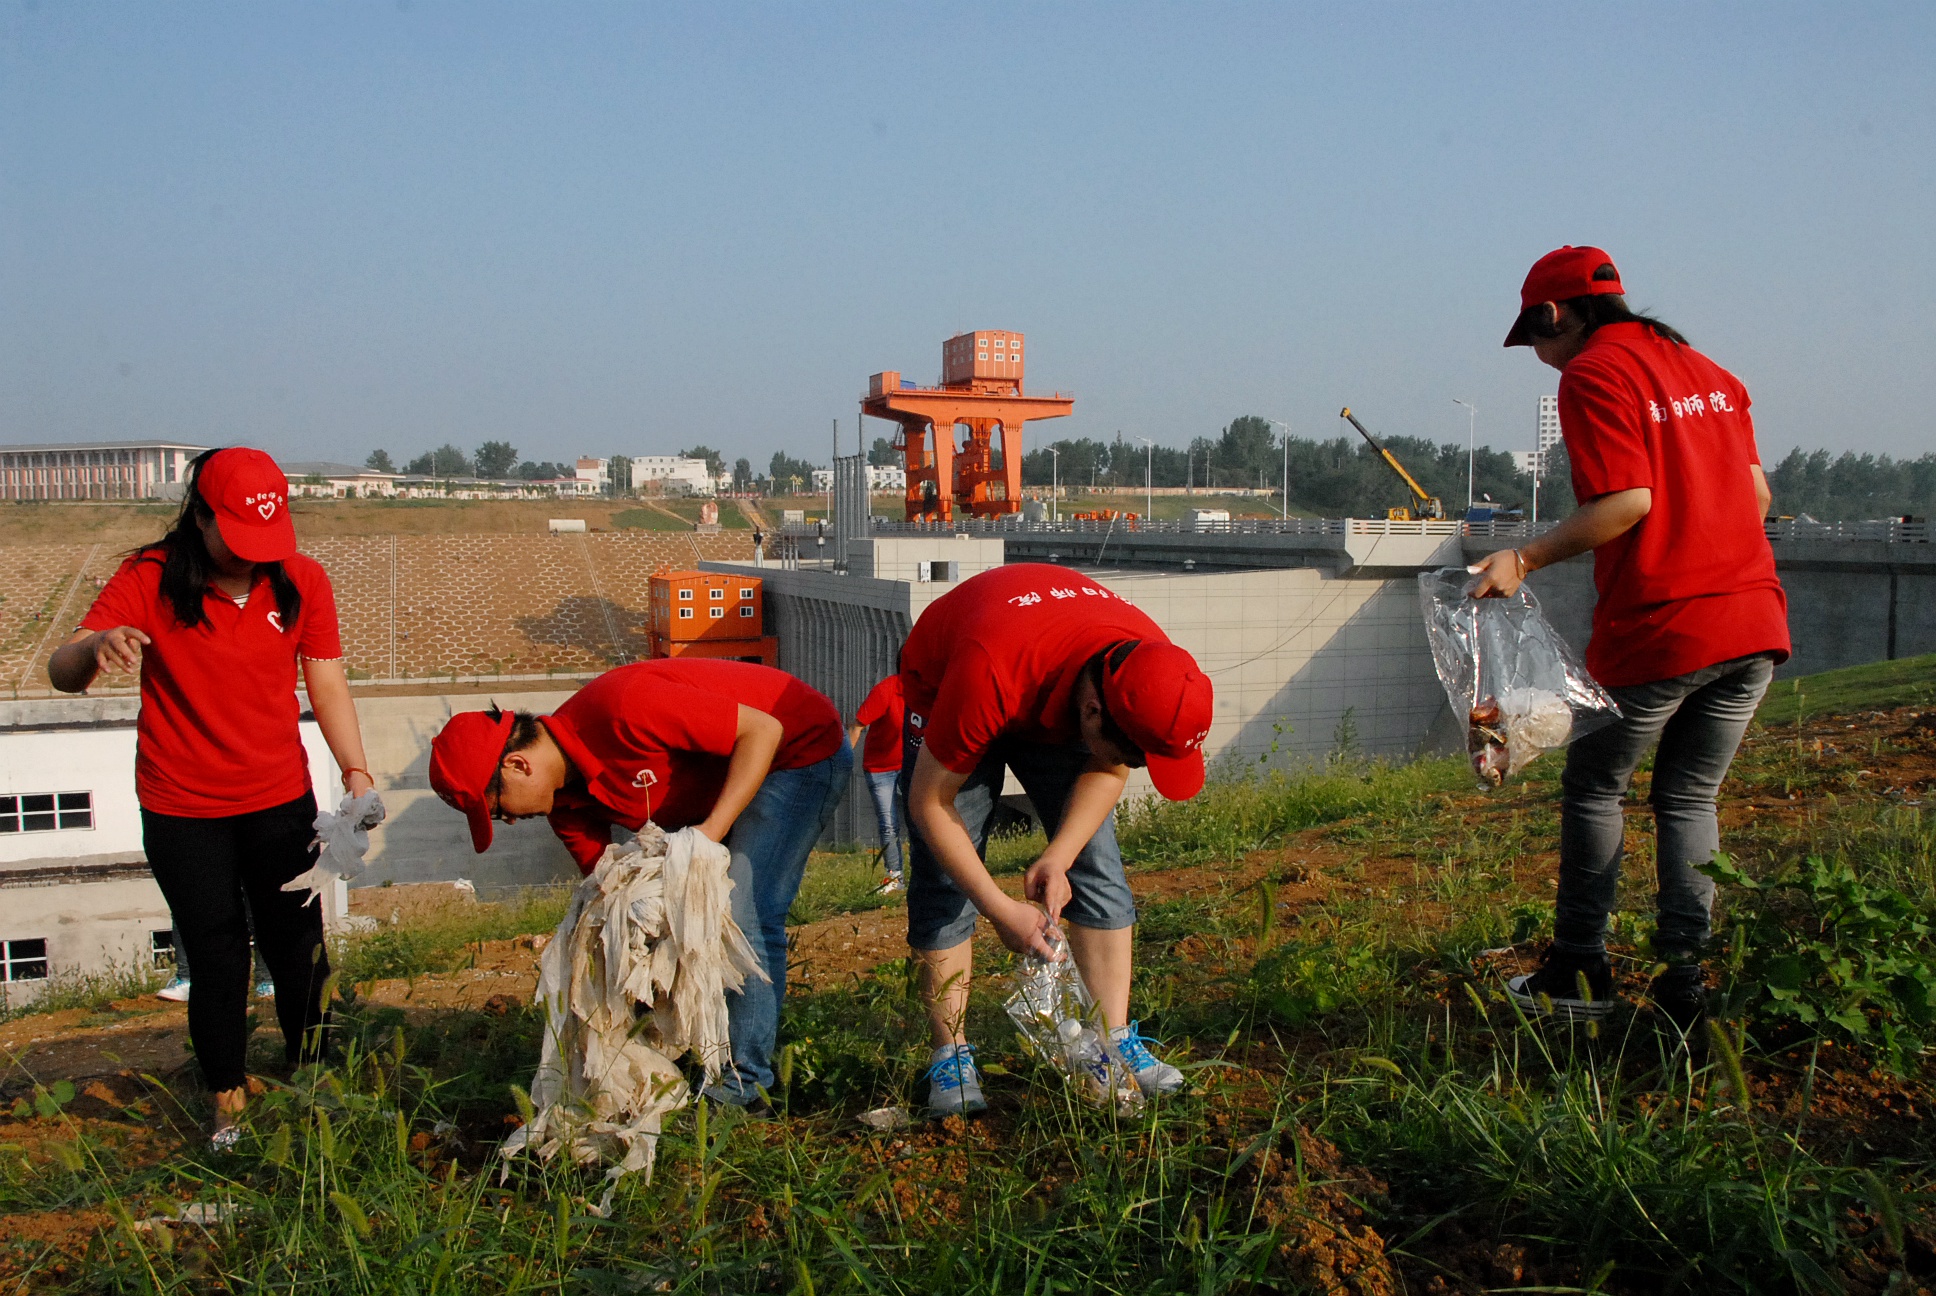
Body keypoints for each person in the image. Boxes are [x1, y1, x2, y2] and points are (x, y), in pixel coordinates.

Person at [1471, 245, 1790, 1030]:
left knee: (1595, 787)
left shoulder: (1595, 375)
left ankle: (1579, 970)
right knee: (1689, 797)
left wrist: (1525, 556)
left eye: (1535, 340)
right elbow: (1756, 493)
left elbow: (1627, 502)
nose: (1542, 360)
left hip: (1665, 628)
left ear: (1558, 314)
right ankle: (1688, 987)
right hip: (1753, 622)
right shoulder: (1707, 371)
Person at [49, 447, 378, 1147]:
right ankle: (227, 1096)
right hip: (182, 808)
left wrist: (356, 772)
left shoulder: (301, 580)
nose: (253, 557)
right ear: (199, 517)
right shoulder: (148, 578)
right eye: (237, 539)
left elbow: (326, 683)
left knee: (299, 949)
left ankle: (313, 1080)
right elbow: (62, 669)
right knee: (219, 952)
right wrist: (98, 645)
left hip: (278, 801)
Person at [427, 659, 850, 1112]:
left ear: (517, 764)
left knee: (743, 912)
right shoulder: (566, 806)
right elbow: (609, 906)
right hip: (724, 782)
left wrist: (707, 836)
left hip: (796, 750)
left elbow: (762, 731)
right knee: (661, 922)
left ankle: (744, 1090)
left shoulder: (625, 708)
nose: (508, 819)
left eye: (497, 808)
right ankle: (692, 1055)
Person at [899, 564, 1213, 1113]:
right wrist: (1000, 909)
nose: (1131, 765)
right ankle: (949, 1054)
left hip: (1048, 676)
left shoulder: (1145, 667)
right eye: (1130, 751)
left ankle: (1112, 1041)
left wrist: (1058, 857)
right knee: (945, 878)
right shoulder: (989, 671)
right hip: (961, 679)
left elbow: (1109, 764)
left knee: (1098, 868)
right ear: (1093, 711)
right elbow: (930, 802)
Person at [848, 670, 907, 894]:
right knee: (889, 824)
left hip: (913, 764)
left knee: (921, 820)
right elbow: (857, 725)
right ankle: (895, 877)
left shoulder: (929, 689)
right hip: (881, 768)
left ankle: (929, 878)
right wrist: (843, 760)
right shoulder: (887, 689)